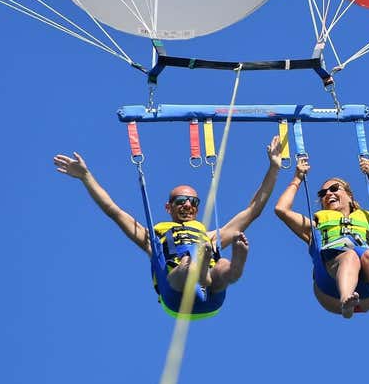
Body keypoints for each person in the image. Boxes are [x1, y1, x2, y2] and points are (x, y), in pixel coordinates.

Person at [53, 135, 283, 316]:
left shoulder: (211, 237)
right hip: (175, 294)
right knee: (188, 266)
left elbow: (253, 210)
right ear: (168, 207)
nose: (187, 205)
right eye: (180, 201)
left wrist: (273, 168)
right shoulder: (154, 237)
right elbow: (114, 211)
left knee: (222, 265)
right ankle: (198, 265)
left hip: (212, 296)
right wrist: (86, 177)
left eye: (193, 202)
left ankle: (232, 264)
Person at [274, 155, 369, 326]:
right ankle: (346, 300)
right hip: (330, 290)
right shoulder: (316, 227)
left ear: (349, 196)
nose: (328, 194)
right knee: (350, 255)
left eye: (335, 188)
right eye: (323, 193)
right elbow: (281, 209)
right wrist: (297, 178)